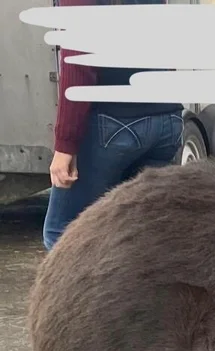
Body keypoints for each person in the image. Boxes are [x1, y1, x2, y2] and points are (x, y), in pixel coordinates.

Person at [42, 0, 185, 252]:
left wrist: (65, 145)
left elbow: (78, 60)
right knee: (141, 238)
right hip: (166, 118)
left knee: (62, 235)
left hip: (114, 123)